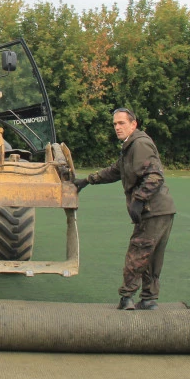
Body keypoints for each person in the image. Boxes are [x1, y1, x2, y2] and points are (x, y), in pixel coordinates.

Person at [74, 108, 176, 310]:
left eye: (121, 123)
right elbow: (115, 170)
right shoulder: (130, 146)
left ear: (133, 124)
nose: (117, 127)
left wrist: (138, 200)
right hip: (162, 210)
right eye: (114, 124)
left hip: (153, 209)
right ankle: (148, 299)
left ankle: (127, 298)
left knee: (138, 252)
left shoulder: (140, 144)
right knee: (152, 256)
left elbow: (155, 176)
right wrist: (87, 180)